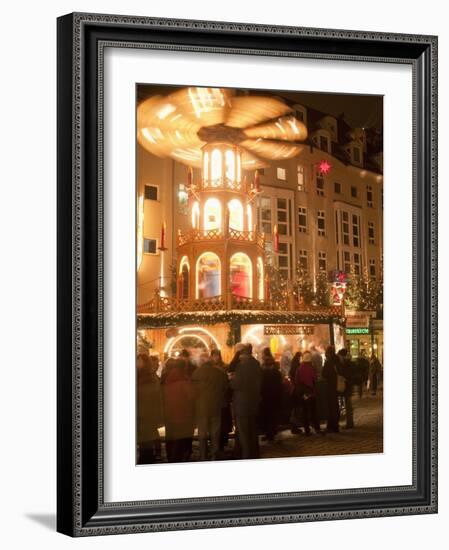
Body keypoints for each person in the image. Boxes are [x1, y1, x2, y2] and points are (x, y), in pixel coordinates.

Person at [192, 354, 229, 460]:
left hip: (202, 407)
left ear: (202, 362)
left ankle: (203, 455)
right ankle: (214, 454)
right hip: (216, 406)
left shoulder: (197, 373)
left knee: (202, 433)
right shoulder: (219, 373)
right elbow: (225, 387)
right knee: (215, 432)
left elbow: (194, 391)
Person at [230, 344, 262, 459]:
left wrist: (231, 380)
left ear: (243, 355)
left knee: (243, 432)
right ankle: (254, 453)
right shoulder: (256, 364)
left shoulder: (242, 367)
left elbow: (237, 384)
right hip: (253, 403)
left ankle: (246, 455)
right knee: (252, 430)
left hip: (242, 404)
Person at [162, 358, 195, 462]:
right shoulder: (184, 380)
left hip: (169, 413)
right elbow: (191, 396)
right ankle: (178, 458)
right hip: (183, 414)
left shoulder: (167, 378)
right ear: (184, 367)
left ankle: (170, 457)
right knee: (180, 439)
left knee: (170, 438)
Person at [137, 354, 163, 463]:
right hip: (144, 412)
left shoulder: (148, 377)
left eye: (139, 361)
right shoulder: (147, 377)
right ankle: (149, 457)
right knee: (146, 439)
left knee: (145, 440)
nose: (137, 363)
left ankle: (147, 459)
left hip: (145, 412)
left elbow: (156, 396)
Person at [211, 349, 233, 451]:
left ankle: (223, 441)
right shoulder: (210, 368)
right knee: (216, 423)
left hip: (223, 398)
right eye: (214, 355)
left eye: (217, 355)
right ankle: (216, 443)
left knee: (224, 422)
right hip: (215, 399)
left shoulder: (225, 366)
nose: (216, 357)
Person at [294, 351, 321, 435]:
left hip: (303, 393)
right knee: (313, 411)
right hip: (311, 392)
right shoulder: (312, 368)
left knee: (305, 411)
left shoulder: (299, 369)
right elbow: (315, 380)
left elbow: (296, 380)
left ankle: (307, 430)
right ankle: (317, 428)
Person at [260, 347, 283, 441]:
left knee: (267, 415)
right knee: (273, 414)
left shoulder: (264, 369)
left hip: (267, 395)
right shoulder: (275, 368)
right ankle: (272, 432)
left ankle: (269, 433)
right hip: (275, 394)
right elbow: (279, 381)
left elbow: (262, 382)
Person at [322, 345, 340, 433]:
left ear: (328, 353)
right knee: (335, 406)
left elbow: (324, 373)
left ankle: (332, 426)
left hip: (330, 386)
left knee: (331, 406)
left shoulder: (329, 362)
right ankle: (335, 425)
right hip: (336, 385)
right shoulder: (337, 360)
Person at [337, 348, 354, 429]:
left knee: (348, 405)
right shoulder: (348, 363)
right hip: (348, 386)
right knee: (348, 405)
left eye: (340, 356)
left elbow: (345, 375)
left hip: (347, 387)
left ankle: (350, 423)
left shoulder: (346, 364)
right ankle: (350, 422)